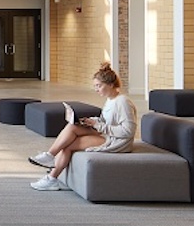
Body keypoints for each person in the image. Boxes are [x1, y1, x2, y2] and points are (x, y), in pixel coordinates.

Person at [29, 61, 137, 191]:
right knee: (72, 127)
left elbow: (128, 131)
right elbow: (106, 120)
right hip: (106, 133)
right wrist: (91, 121)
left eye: (99, 86)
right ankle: (50, 157)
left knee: (67, 146)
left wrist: (99, 125)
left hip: (117, 141)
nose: (96, 89)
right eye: (95, 86)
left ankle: (52, 176)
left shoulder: (123, 102)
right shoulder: (110, 100)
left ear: (110, 84)